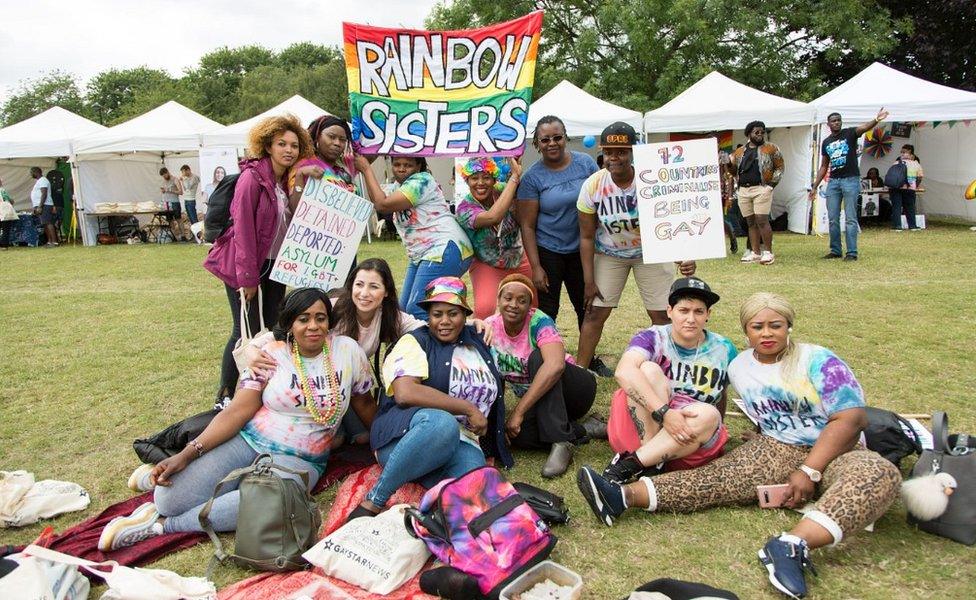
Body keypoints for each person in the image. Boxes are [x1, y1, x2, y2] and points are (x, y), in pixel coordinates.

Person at [576, 291, 901, 599]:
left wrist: (809, 470)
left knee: (879, 474)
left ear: (789, 326)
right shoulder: (740, 366)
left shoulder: (816, 359)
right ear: (746, 331)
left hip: (837, 449)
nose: (767, 333)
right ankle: (621, 495)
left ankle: (791, 545)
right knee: (716, 479)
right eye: (757, 327)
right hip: (775, 446)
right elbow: (728, 398)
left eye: (776, 325)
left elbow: (851, 419)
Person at [97, 288, 376, 551]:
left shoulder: (347, 351)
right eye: (303, 319)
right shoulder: (271, 356)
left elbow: (364, 402)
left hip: (301, 460)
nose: (313, 326)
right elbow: (237, 411)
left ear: (329, 321)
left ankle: (161, 524)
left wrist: (383, 440)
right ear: (290, 324)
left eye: (320, 318)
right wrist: (186, 454)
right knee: (168, 499)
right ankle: (163, 506)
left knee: (272, 505)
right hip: (249, 442)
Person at [350, 277, 511, 520]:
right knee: (442, 423)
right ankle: (375, 499)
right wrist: (468, 408)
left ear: (465, 314)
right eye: (437, 314)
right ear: (428, 316)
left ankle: (428, 500)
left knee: (476, 483)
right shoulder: (414, 341)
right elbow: (405, 393)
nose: (444, 321)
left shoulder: (477, 341)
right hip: (405, 437)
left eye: (453, 313)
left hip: (461, 441)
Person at [203, 114, 314, 408]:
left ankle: (260, 388)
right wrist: (248, 278)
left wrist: (301, 180)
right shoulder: (251, 178)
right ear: (267, 145)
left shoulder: (281, 181)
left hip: (275, 266)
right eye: (281, 144)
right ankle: (226, 395)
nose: (288, 150)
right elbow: (243, 232)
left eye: (293, 145)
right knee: (245, 331)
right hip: (247, 267)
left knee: (274, 328)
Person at [576, 122, 696, 373]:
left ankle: (671, 370)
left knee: (662, 316)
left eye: (621, 151)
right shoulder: (593, 185)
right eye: (609, 152)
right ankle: (579, 372)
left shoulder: (652, 178)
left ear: (633, 153)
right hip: (610, 254)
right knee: (594, 314)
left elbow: (674, 220)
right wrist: (588, 280)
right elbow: (586, 236)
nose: (614, 157)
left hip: (650, 253)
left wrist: (684, 255)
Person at [600, 277, 737, 484]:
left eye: (698, 311)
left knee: (709, 414)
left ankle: (631, 466)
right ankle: (650, 462)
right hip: (643, 428)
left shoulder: (724, 349)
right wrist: (665, 414)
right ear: (669, 311)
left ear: (708, 314)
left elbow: (725, 393)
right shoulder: (653, 337)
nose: (691, 318)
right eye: (684, 310)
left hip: (688, 438)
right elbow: (624, 371)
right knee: (647, 370)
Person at [517, 116, 607, 374]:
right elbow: (527, 225)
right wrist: (536, 266)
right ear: (537, 143)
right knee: (547, 310)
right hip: (548, 251)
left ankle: (588, 360)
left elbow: (601, 202)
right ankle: (543, 359)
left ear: (565, 137)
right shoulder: (533, 178)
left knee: (587, 306)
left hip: (582, 249)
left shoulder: (586, 164)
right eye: (545, 139)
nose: (552, 143)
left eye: (557, 137)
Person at [486, 274, 600, 477]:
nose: (514, 304)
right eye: (508, 298)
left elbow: (555, 366)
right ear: (499, 300)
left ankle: (561, 440)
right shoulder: (490, 328)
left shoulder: (539, 321)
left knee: (539, 358)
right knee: (516, 436)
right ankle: (586, 429)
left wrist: (518, 412)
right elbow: (494, 379)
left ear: (530, 305)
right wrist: (500, 425)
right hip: (544, 402)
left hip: (575, 391)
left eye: (522, 300)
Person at [355, 155, 474, 321]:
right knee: (403, 312)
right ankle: (414, 345)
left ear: (418, 166)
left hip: (445, 249)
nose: (402, 169)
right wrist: (369, 156)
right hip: (421, 255)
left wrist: (367, 168)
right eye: (397, 164)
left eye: (408, 165)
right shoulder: (397, 187)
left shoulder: (422, 181)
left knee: (417, 310)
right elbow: (377, 198)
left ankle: (446, 343)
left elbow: (383, 205)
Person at [455, 156, 535, 319]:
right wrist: (514, 177)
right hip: (487, 264)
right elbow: (493, 217)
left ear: (493, 180)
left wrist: (514, 200)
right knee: (486, 310)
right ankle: (484, 343)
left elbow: (523, 217)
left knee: (529, 308)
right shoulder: (464, 209)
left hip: (518, 259)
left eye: (486, 177)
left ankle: (524, 343)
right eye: (474, 178)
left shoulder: (502, 190)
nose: (480, 183)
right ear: (467, 180)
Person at [810, 108, 889, 261]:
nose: (836, 122)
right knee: (833, 218)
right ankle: (835, 250)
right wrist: (814, 186)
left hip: (851, 180)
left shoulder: (849, 133)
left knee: (851, 218)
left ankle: (851, 252)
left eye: (838, 120)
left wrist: (876, 120)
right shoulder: (826, 142)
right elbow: (824, 166)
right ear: (828, 124)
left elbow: (864, 128)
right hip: (833, 181)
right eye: (833, 121)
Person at [730, 121, 784, 265]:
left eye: (762, 132)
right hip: (743, 189)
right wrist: (728, 164)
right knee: (750, 222)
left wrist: (771, 185)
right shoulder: (740, 151)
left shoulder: (771, 148)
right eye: (756, 132)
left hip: (762, 188)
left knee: (762, 219)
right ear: (749, 134)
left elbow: (780, 167)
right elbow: (733, 171)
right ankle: (755, 252)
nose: (760, 135)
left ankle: (768, 252)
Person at [889, 144, 924, 231]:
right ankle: (912, 226)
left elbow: (891, 175)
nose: (902, 153)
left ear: (910, 153)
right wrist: (915, 185)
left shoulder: (896, 163)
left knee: (896, 206)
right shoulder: (916, 164)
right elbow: (920, 177)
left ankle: (897, 226)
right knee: (910, 207)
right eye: (902, 152)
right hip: (910, 188)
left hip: (896, 187)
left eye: (904, 152)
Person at [30, 166, 58, 247]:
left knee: (49, 223)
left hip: (45, 205)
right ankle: (49, 241)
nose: (31, 174)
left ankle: (54, 242)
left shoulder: (43, 180)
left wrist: (40, 206)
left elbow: (44, 193)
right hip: (42, 205)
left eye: (31, 173)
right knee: (45, 224)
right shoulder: (39, 181)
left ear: (36, 172)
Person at [159, 167, 184, 241]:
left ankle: (183, 236)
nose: (164, 177)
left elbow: (180, 192)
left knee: (178, 220)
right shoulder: (163, 181)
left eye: (165, 175)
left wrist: (169, 190)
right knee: (170, 221)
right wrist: (163, 191)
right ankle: (175, 236)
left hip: (175, 202)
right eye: (163, 176)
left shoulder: (175, 179)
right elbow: (164, 191)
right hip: (166, 203)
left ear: (167, 172)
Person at [0, 176, 16, 249]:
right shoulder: (2, 190)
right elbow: (10, 201)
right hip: (5, 211)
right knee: (5, 229)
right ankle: (4, 246)